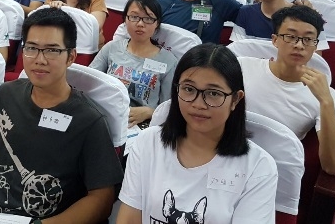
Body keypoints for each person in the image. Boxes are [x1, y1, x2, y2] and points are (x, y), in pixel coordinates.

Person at [0, 8, 124, 223]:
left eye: (52, 50)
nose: (40, 59)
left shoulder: (89, 120)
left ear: (71, 56)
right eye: (31, 48)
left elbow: (102, 199)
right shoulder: (7, 94)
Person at [116, 44, 278, 224]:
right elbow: (129, 218)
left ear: (235, 99)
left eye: (213, 93)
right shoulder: (148, 142)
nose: (198, 104)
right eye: (189, 89)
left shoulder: (258, 167)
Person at [237, 5, 335, 175]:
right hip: (226, 154)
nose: (299, 45)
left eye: (308, 39)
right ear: (275, 40)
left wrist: (326, 102)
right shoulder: (242, 67)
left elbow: (333, 167)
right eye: (291, 36)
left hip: (273, 172)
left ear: (316, 45)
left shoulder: (325, 94)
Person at [90, 0, 177, 127]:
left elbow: (169, 108)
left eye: (148, 18)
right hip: (105, 115)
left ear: (157, 23)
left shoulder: (168, 61)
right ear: (125, 19)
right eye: (134, 17)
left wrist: (150, 112)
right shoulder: (111, 48)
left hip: (142, 125)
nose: (140, 24)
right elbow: (89, 82)